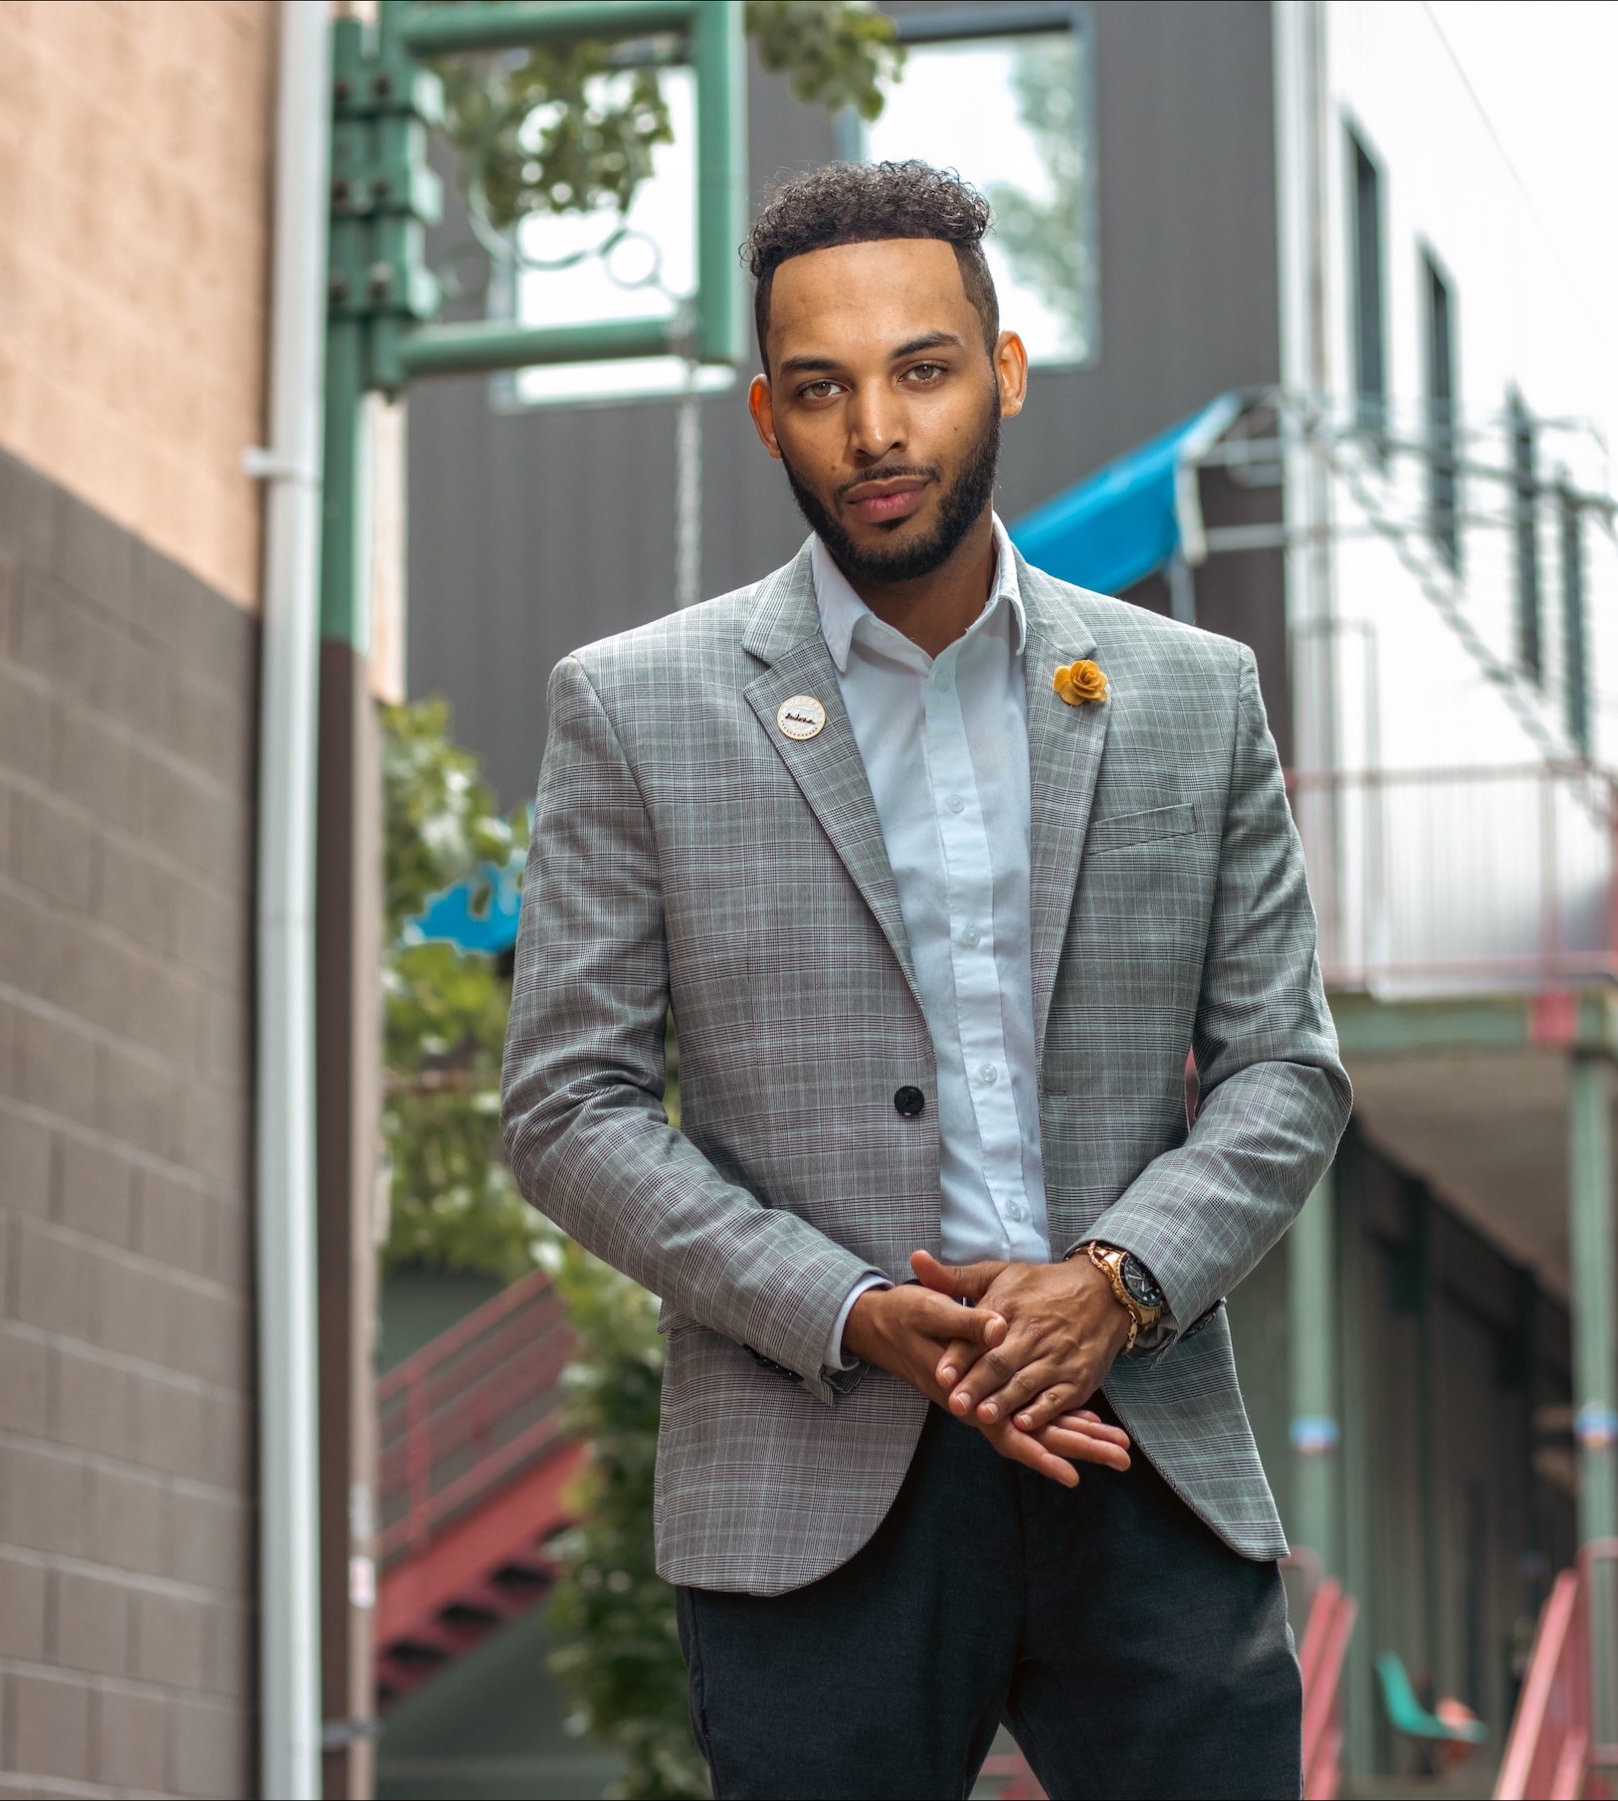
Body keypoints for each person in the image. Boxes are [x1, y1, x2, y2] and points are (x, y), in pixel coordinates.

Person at [502, 160, 1353, 1799]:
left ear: (1004, 371)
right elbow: (566, 1106)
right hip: (816, 1479)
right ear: (767, 417)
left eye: (922, 368)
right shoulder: (636, 708)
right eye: (820, 389)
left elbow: (1285, 1066)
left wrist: (1114, 1279)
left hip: (1141, 1452)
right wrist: (845, 1308)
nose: (875, 430)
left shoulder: (1191, 693)